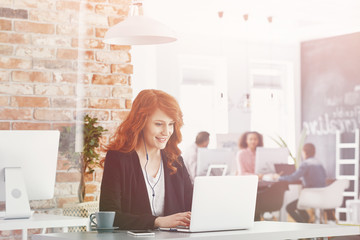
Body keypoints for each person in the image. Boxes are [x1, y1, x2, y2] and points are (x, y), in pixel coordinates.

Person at [99, 89, 193, 230]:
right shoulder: (118, 158)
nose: (166, 132)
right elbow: (111, 216)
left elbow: (193, 207)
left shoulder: (175, 160)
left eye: (171, 124)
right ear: (140, 122)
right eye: (159, 124)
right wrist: (157, 221)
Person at [275, 143, 333, 223]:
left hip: (311, 197)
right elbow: (323, 178)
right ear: (314, 152)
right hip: (322, 196)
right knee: (299, 206)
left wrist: (278, 177)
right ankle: (306, 220)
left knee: (289, 208)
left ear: (304, 152)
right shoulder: (319, 163)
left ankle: (303, 224)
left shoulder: (306, 164)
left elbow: (293, 178)